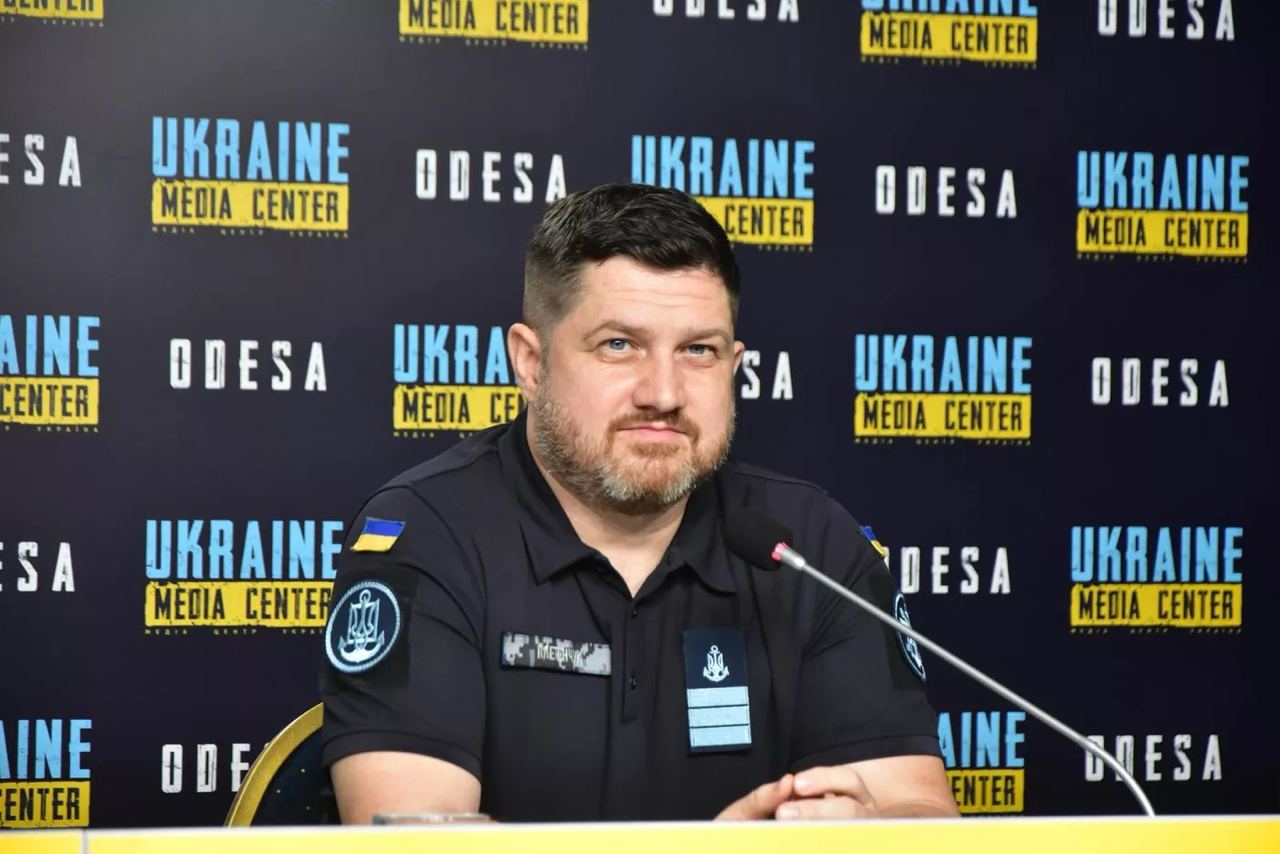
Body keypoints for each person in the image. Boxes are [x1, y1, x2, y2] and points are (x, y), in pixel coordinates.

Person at [320, 183, 958, 822]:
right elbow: (417, 840)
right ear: (531, 364)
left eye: (698, 350)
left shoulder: (808, 546)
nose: (663, 393)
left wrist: (867, 828)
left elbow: (920, 813)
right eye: (619, 345)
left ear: (734, 364)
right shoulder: (427, 535)